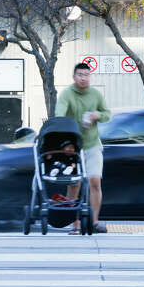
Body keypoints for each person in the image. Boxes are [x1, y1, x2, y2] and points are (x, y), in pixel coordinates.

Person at [55, 62, 111, 234]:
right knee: (74, 184)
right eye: (80, 74)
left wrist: (97, 115)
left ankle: (94, 222)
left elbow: (107, 114)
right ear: (74, 77)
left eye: (86, 75)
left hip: (93, 144)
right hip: (73, 147)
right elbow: (59, 114)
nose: (83, 78)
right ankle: (75, 224)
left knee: (95, 182)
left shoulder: (95, 94)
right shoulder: (66, 94)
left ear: (89, 77)